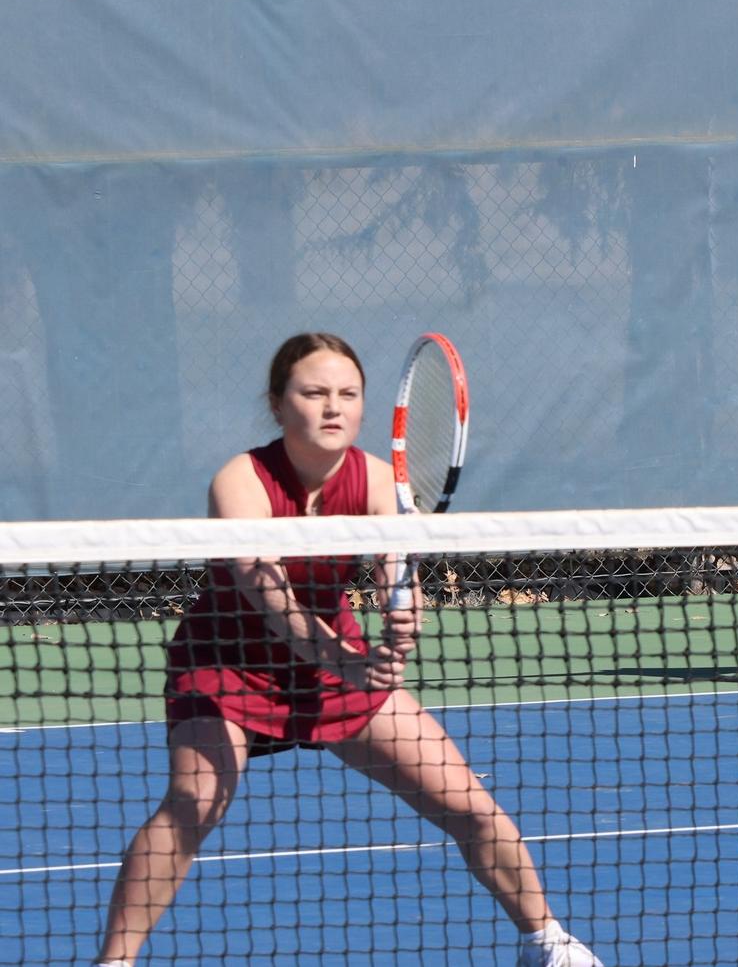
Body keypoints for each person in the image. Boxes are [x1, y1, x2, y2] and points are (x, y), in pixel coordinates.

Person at [95, 332, 601, 967]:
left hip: (335, 670)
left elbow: (396, 572)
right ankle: (113, 963)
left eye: (347, 394)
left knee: (470, 805)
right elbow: (266, 591)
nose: (333, 407)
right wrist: (347, 659)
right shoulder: (242, 480)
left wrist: (402, 622)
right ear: (278, 405)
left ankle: (548, 943)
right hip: (228, 664)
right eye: (313, 393)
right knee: (194, 803)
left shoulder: (376, 480)